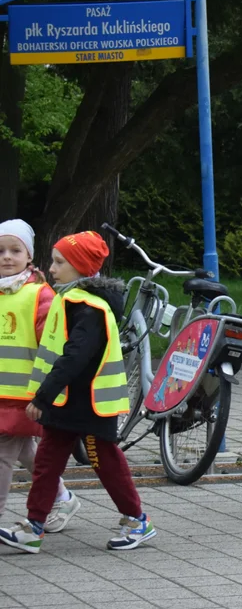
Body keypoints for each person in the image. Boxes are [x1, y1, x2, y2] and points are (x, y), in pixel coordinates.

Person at [0, 231, 154, 553]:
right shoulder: (69, 300)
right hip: (67, 401)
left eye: (59, 263)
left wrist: (42, 396)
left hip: (90, 403)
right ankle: (34, 525)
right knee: (46, 462)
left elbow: (75, 357)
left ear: (81, 267)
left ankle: (137, 519)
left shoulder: (89, 307)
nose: (52, 269)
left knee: (105, 461)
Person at [0, 220, 78, 532]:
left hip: (24, 394)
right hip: (6, 393)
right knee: (27, 452)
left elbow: (52, 343)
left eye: (15, 250)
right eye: (1, 250)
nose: (7, 256)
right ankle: (62, 496)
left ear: (29, 256)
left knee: (4, 456)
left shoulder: (40, 295)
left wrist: (47, 390)